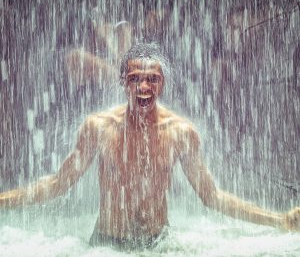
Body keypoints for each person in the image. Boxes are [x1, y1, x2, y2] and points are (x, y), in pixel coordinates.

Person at [0, 43, 299, 250]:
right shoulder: (98, 128)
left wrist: (280, 220)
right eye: (135, 79)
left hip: (161, 244)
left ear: (163, 83)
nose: (144, 88)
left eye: (152, 79)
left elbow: (213, 197)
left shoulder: (181, 133)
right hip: (107, 246)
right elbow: (57, 184)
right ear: (123, 82)